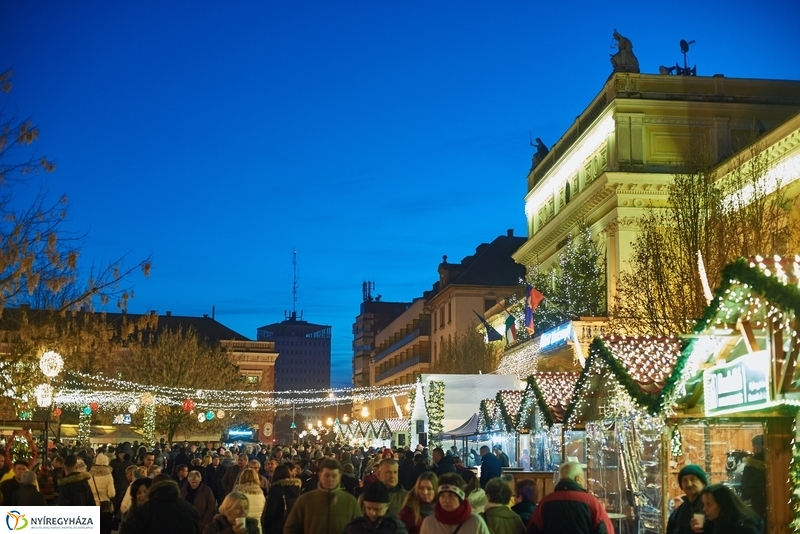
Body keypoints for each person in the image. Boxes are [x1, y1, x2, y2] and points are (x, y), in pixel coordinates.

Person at [526, 462, 613, 534]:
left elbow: (533, 529)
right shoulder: (591, 502)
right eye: (583, 478)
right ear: (577, 479)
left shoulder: (545, 502)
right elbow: (605, 530)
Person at [284, 458, 361, 534]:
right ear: (320, 475)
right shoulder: (305, 500)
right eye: (327, 475)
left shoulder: (350, 502)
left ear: (339, 477)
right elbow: (291, 528)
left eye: (334, 476)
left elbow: (360, 529)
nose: (330, 479)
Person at [122, 479, 201, 534]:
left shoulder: (147, 509)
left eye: (145, 491)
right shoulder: (190, 509)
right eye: (138, 493)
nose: (142, 495)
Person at [419, 473, 489, 534]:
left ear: (460, 497)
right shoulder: (429, 523)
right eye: (442, 495)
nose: (446, 500)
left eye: (451, 495)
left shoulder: (476, 522)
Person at [692, 484, 762, 534]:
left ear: (723, 505)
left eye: (709, 504)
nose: (704, 509)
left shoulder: (744, 528)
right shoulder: (712, 525)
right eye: (703, 504)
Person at [666, 464, 708, 534]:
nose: (689, 484)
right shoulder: (677, 513)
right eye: (684, 480)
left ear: (703, 483)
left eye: (693, 479)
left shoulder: (712, 508)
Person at [262, 464, 301, 534]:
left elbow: (271, 510)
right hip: (293, 523)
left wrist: (266, 525)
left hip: (278, 524)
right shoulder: (296, 488)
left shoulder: (276, 489)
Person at [89, 453, 117, 534]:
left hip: (93, 505)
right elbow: (111, 494)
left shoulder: (90, 475)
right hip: (105, 508)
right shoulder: (108, 475)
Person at [740, 435, 766, 519]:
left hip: (757, 503)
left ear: (755, 448)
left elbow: (746, 488)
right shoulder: (775, 462)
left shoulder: (749, 466)